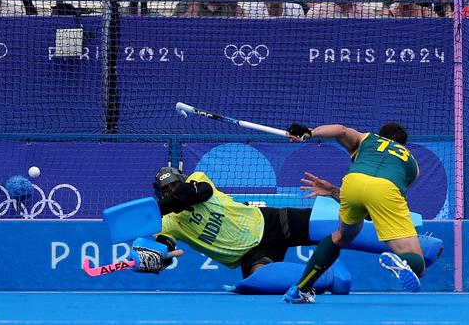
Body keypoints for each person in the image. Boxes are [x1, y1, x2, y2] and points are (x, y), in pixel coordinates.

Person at [283, 122, 424, 304]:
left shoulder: (367, 138)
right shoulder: (412, 164)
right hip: (387, 188)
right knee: (417, 262)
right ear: (403, 145)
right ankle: (403, 263)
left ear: (379, 134)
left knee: (340, 236)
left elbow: (340, 130)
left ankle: (300, 289)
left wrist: (310, 132)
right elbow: (378, 205)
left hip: (353, 182)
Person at [152, 166, 314, 278]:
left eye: (174, 185)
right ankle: (324, 276)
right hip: (252, 255)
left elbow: (194, 194)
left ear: (182, 181)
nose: (171, 191)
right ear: (160, 195)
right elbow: (165, 251)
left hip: (271, 221)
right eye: (165, 190)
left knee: (329, 227)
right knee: (263, 281)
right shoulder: (166, 223)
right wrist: (155, 257)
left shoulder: (197, 180)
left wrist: (158, 208)